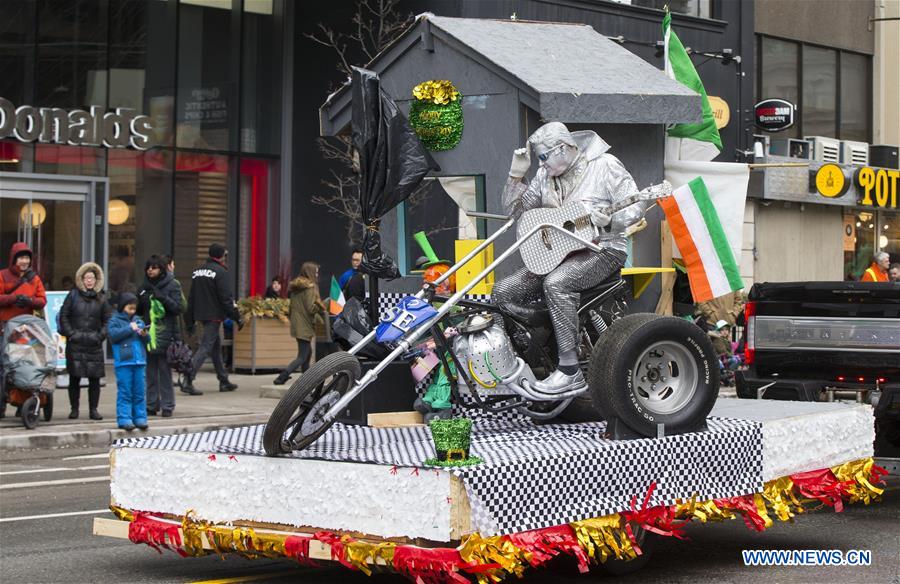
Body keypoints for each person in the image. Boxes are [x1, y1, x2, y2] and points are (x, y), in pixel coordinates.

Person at [491, 122, 642, 394]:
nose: (541, 163)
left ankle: (570, 369)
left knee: (557, 284)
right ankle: (525, 363)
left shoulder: (604, 164)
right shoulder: (543, 176)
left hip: (603, 250)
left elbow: (636, 205)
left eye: (543, 156)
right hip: (557, 254)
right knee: (503, 291)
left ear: (562, 149)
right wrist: (516, 175)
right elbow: (514, 212)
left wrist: (611, 221)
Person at [184, 244, 242, 394]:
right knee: (205, 347)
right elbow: (226, 298)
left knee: (215, 347)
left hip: (200, 314)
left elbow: (192, 297)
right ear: (221, 256)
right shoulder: (221, 272)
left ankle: (223, 380)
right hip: (214, 316)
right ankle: (188, 379)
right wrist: (236, 317)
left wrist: (189, 320)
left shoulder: (198, 271)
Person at [0, 242, 48, 419]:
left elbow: (42, 300)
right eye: (21, 257)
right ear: (14, 259)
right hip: (6, 328)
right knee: (4, 367)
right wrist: (13, 298)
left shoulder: (34, 278)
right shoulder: (3, 275)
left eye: (27, 258)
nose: (24, 261)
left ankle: (22, 404)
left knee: (25, 367)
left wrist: (29, 301)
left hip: (26, 329)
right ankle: (2, 404)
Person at [59, 262, 110, 420]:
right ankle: (74, 409)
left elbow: (108, 320)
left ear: (97, 280)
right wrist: (71, 334)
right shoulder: (73, 295)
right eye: (86, 278)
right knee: (74, 377)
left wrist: (99, 336)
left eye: (92, 278)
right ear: (81, 279)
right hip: (76, 343)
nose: (89, 281)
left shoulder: (102, 298)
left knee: (94, 379)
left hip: (93, 344)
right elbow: (64, 316)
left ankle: (93, 410)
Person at [138, 255, 185, 417]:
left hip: (166, 333)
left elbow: (178, 308)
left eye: (154, 267)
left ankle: (167, 405)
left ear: (161, 269)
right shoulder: (144, 287)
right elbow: (139, 310)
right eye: (148, 267)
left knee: (164, 371)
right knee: (150, 372)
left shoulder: (172, 285)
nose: (150, 270)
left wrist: (163, 298)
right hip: (148, 334)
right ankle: (151, 404)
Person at [273, 262, 327, 385]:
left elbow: (291, 307)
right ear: (311, 272)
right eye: (316, 272)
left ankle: (306, 380)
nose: (317, 275)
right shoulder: (310, 287)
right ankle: (282, 376)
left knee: (307, 353)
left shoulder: (296, 287)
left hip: (298, 323)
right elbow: (310, 308)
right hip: (305, 324)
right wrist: (321, 306)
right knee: (302, 355)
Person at [108, 293, 149, 431]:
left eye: (134, 309)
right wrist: (129, 328)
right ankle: (124, 419)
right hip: (124, 362)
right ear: (122, 307)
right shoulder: (114, 321)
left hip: (139, 361)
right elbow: (113, 336)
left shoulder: (139, 321)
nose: (132, 311)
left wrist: (144, 335)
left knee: (139, 391)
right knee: (125, 391)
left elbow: (147, 341)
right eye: (129, 308)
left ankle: (140, 418)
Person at [696, 289, 744, 357]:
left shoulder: (731, 280)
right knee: (713, 353)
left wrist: (734, 314)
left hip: (729, 322)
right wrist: (709, 313)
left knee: (729, 351)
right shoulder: (709, 280)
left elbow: (738, 300)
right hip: (713, 321)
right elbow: (701, 299)